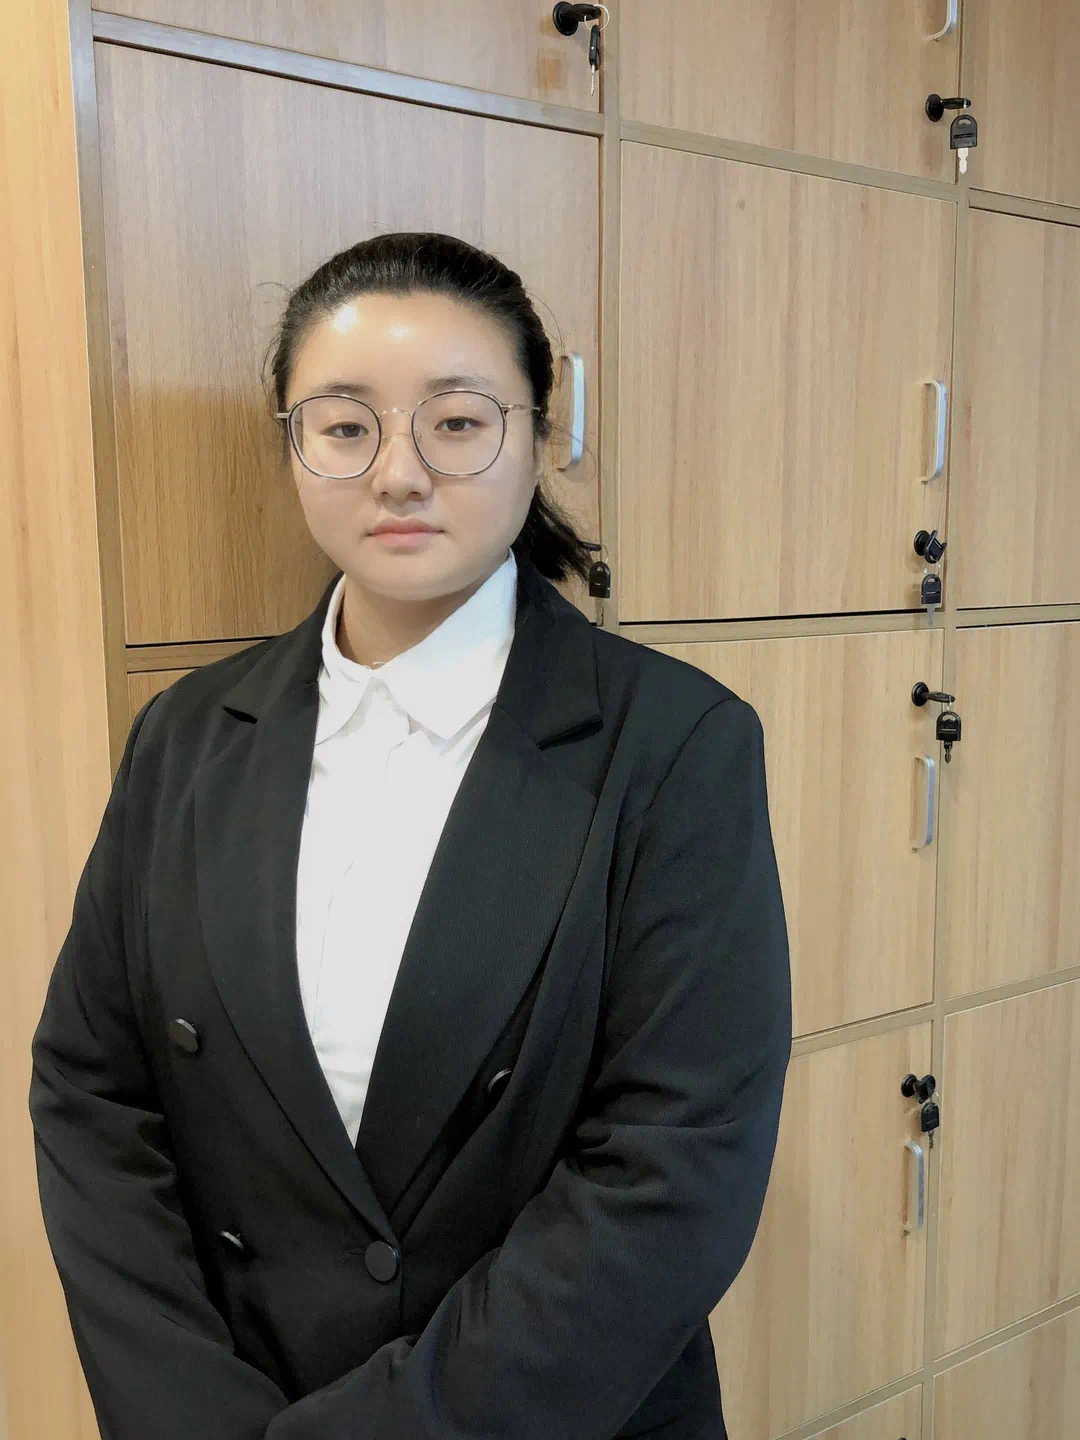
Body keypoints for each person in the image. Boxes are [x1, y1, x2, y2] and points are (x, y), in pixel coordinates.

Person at [29, 231, 792, 1440]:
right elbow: (93, 1093)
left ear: (538, 434)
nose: (398, 474)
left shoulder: (673, 744)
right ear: (292, 444)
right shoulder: (186, 735)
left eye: (457, 422)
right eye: (344, 427)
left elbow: (674, 1164)